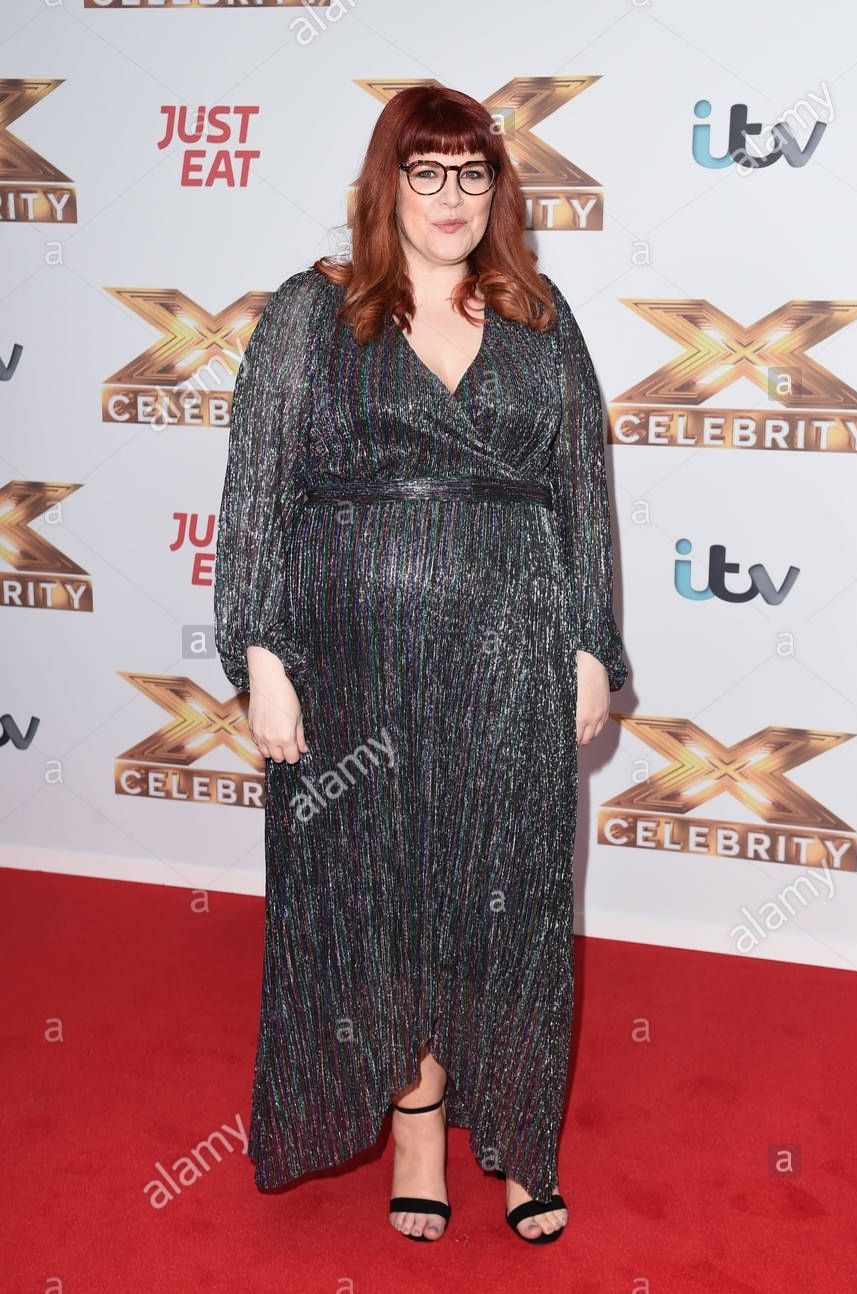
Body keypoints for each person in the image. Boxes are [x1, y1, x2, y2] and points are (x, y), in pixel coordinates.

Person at [214, 83, 627, 1246]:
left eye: (472, 173)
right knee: (375, 898)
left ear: (497, 189)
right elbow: (256, 495)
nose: (451, 196)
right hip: (352, 667)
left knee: (510, 898)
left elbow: (579, 499)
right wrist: (261, 655)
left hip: (509, 658)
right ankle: (416, 1125)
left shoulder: (538, 316)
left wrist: (589, 644)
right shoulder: (313, 311)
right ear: (385, 184)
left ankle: (521, 1140)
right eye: (425, 171)